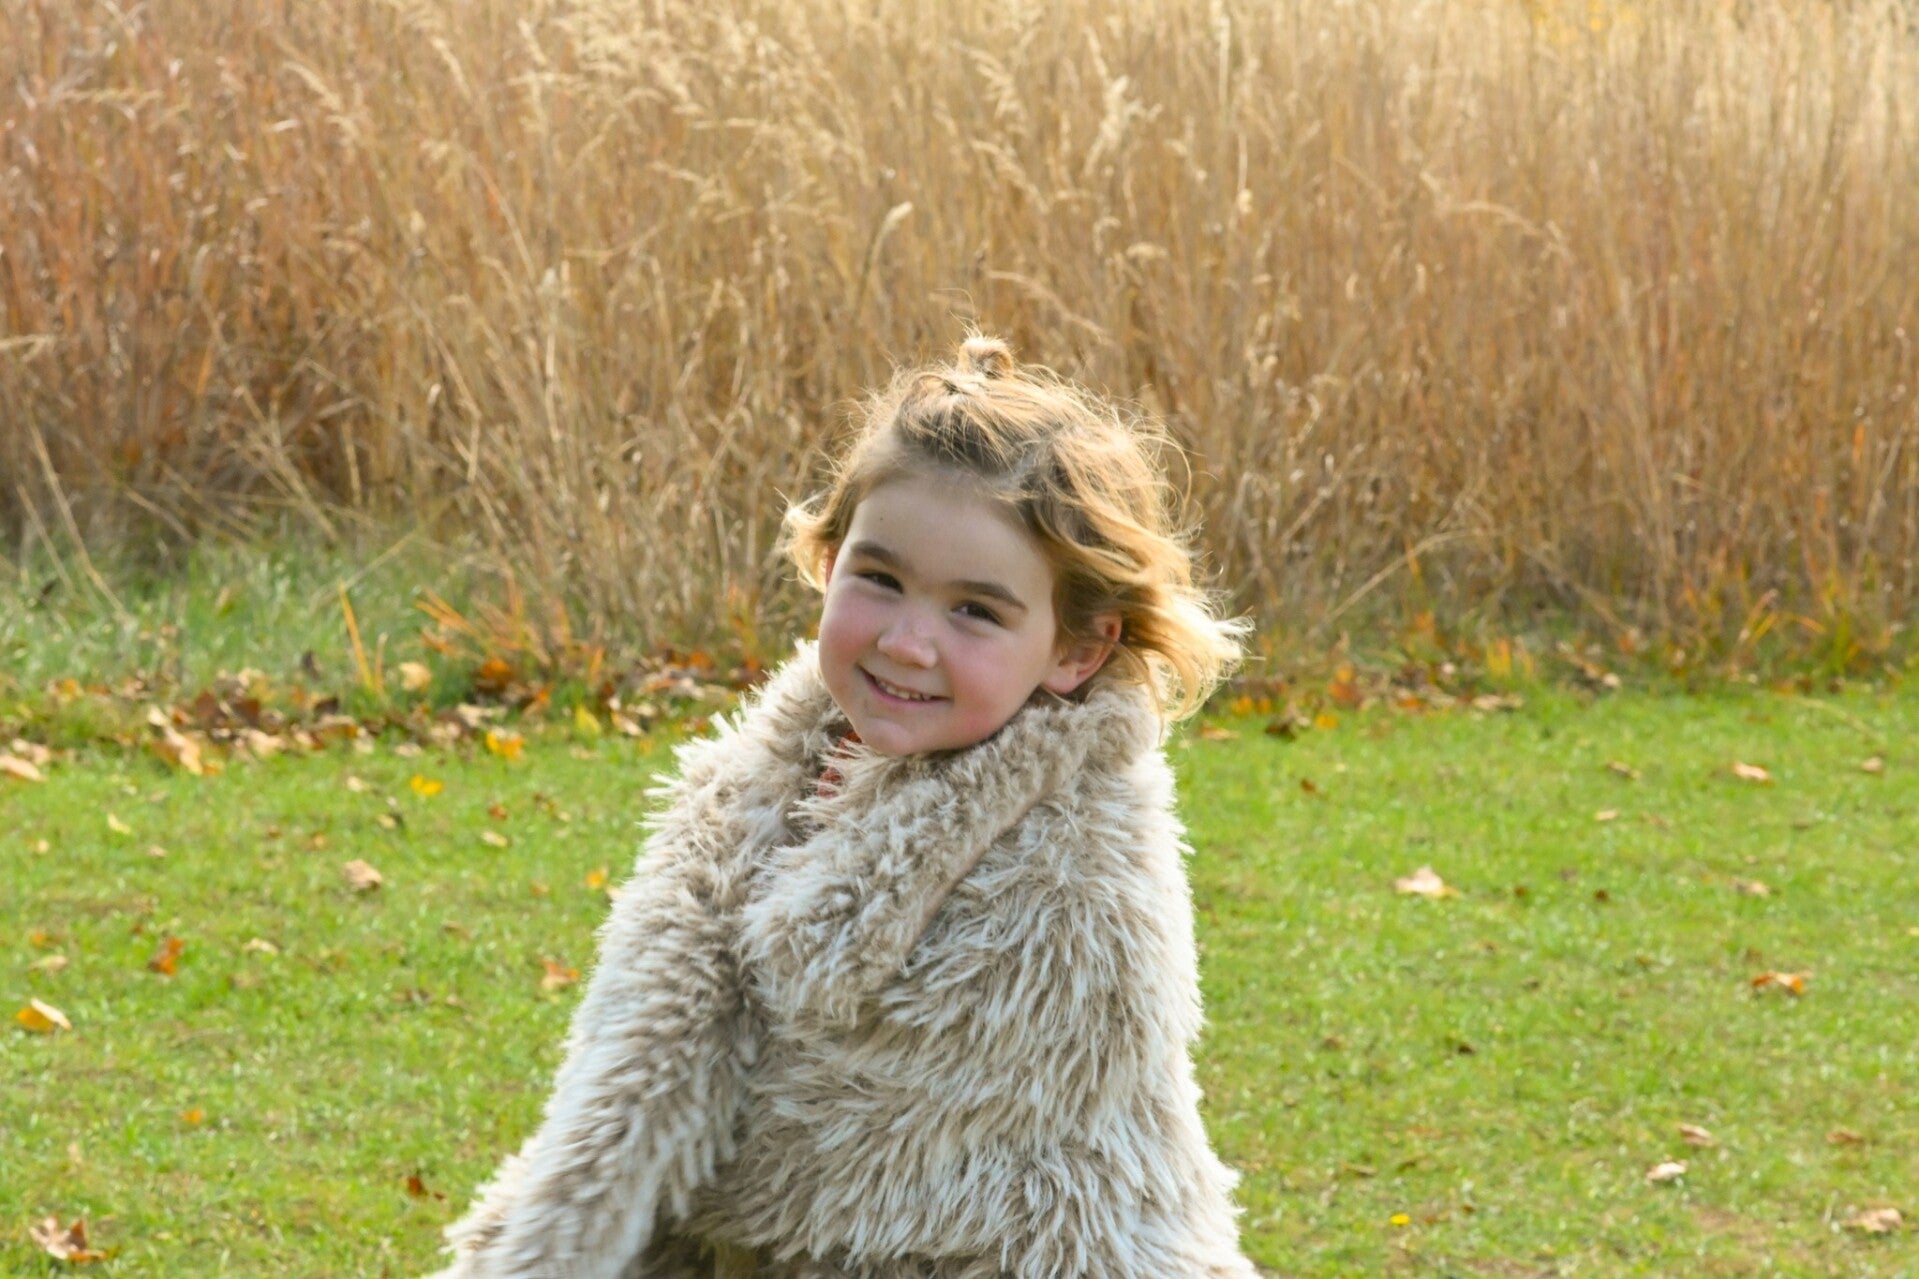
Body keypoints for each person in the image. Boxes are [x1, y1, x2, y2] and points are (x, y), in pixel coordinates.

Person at [427, 336, 1258, 1278]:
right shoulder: (758, 775)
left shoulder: (1078, 876)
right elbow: (645, 1049)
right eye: (880, 579)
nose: (906, 642)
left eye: (975, 611)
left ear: (1075, 650)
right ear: (828, 562)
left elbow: (874, 1145)